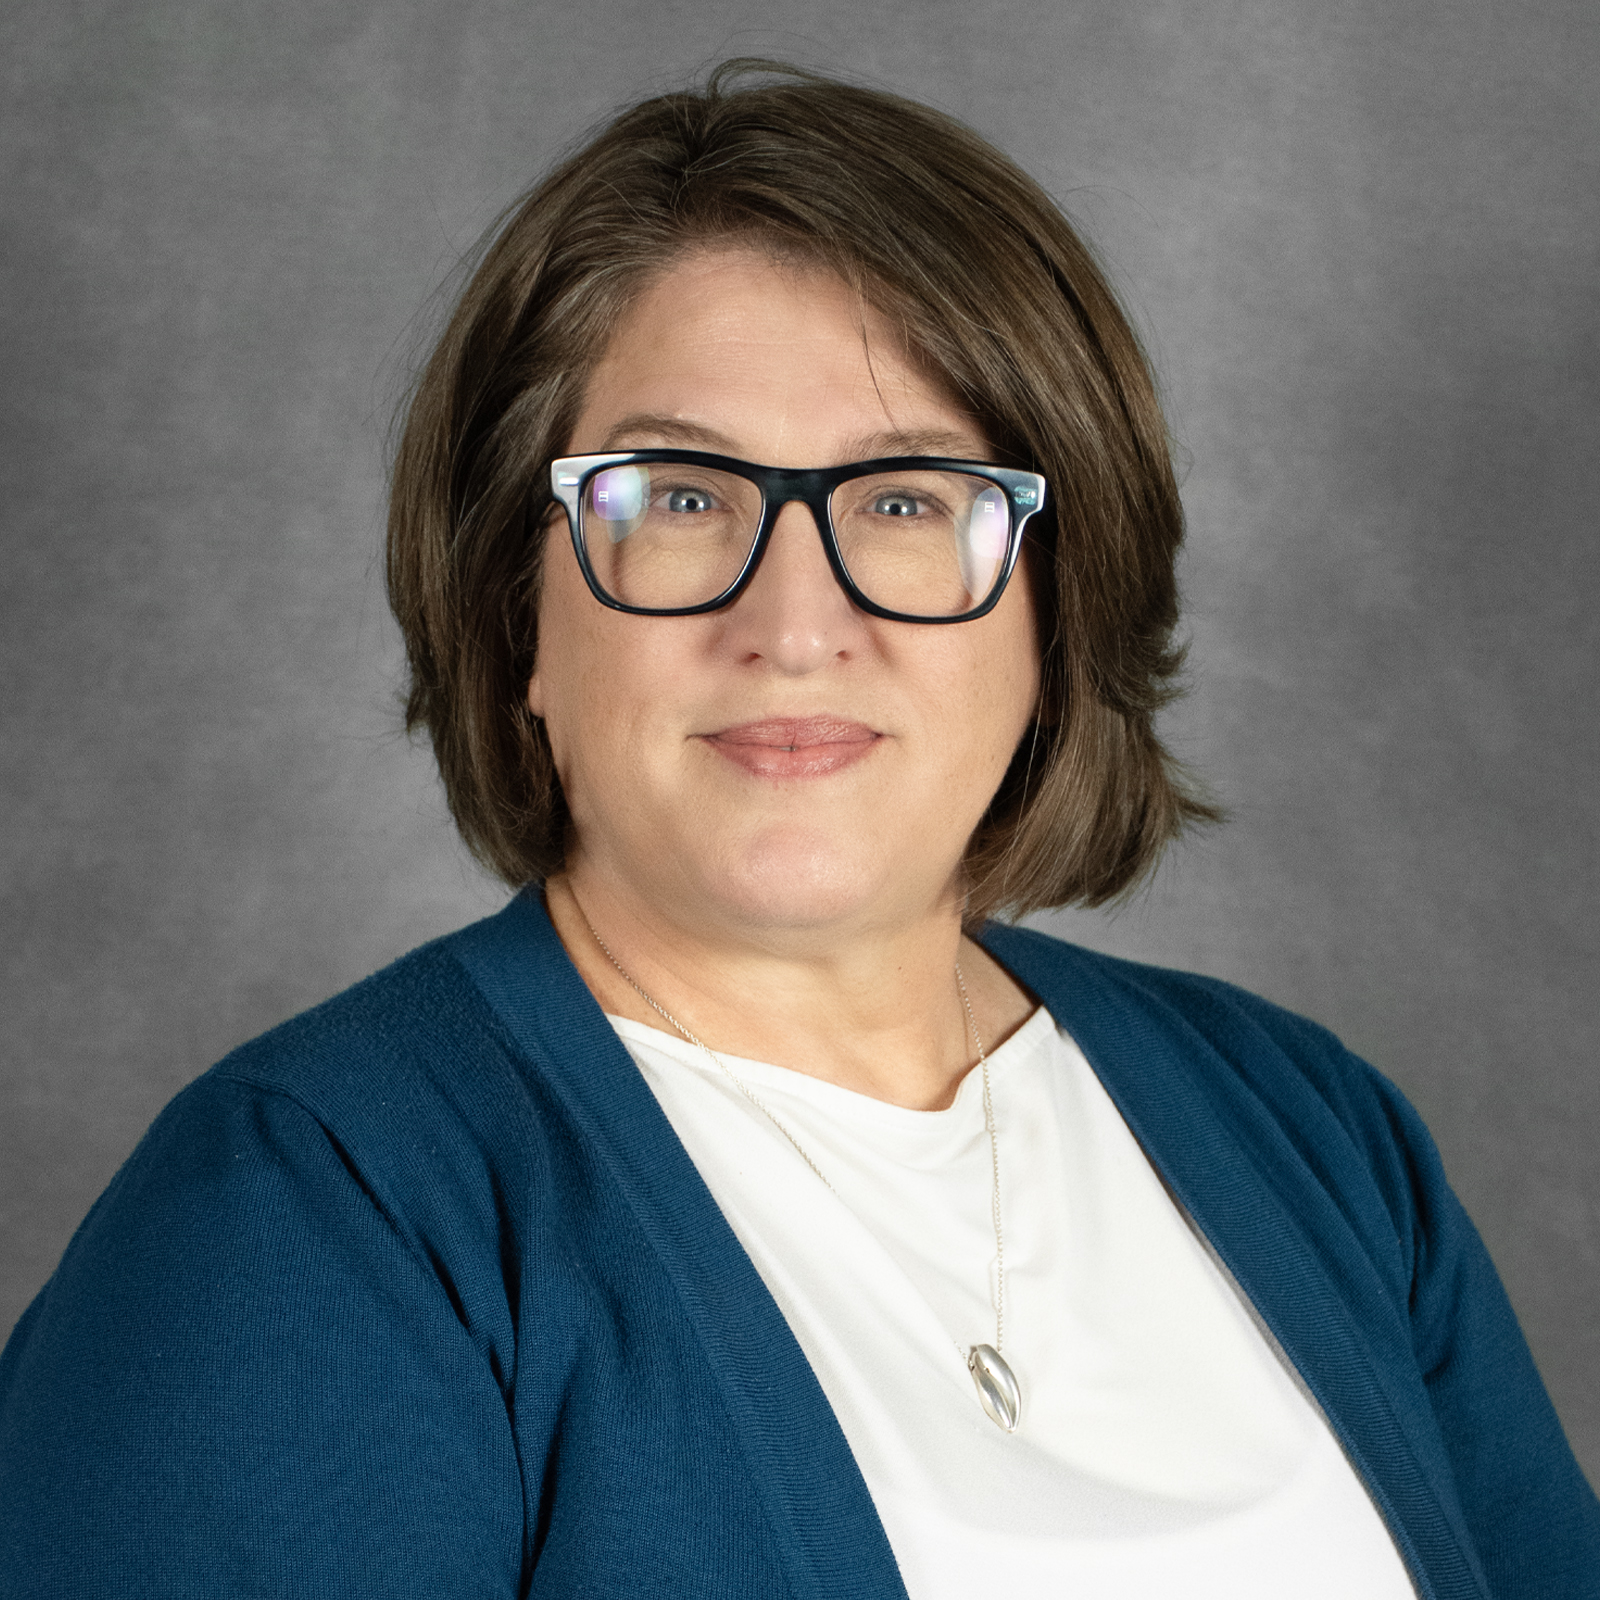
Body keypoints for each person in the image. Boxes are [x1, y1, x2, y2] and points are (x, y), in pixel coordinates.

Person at [1, 60, 1595, 1600]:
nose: (795, 620)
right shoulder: (315, 1210)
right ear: (519, 614)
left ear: (1056, 610)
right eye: (679, 496)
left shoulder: (1314, 1132)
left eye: (907, 499)